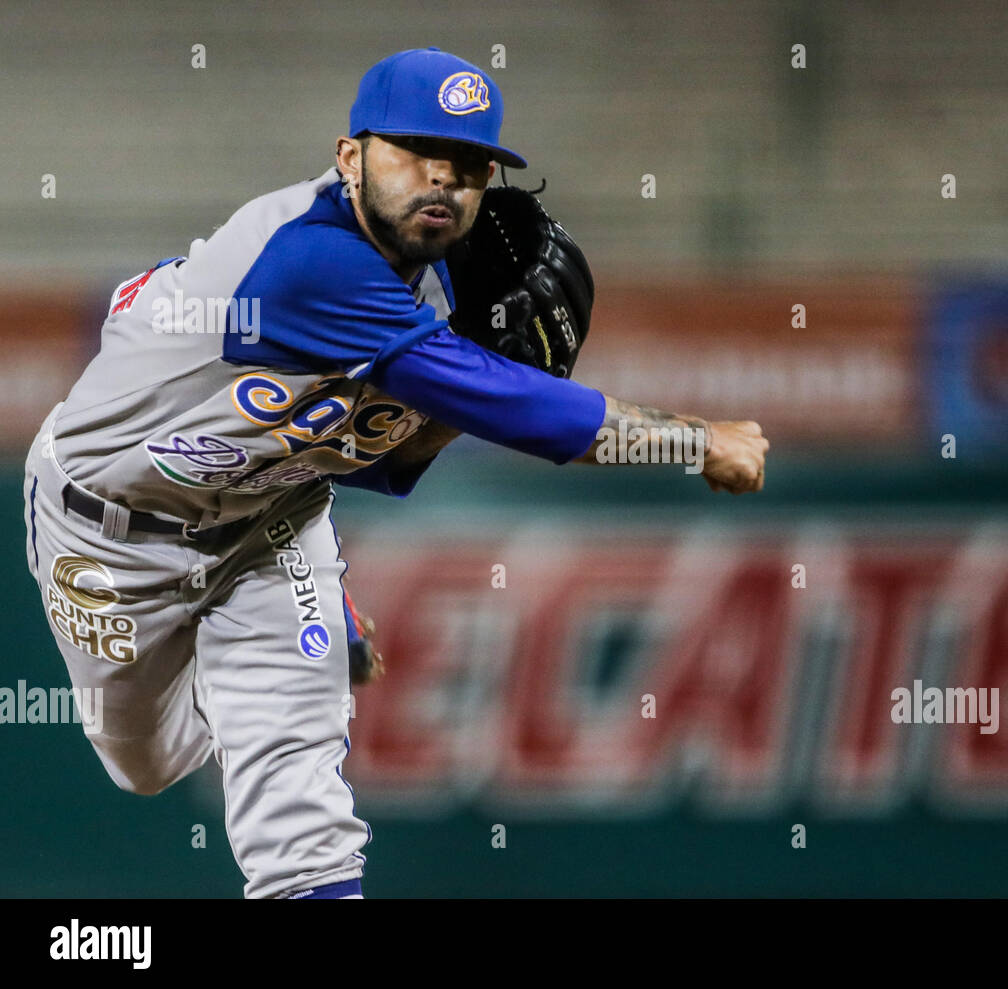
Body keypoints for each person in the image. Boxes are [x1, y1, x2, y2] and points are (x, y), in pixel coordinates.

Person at [22, 46, 767, 899]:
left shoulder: (439, 277)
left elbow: (383, 455)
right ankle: (244, 677)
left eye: (470, 164)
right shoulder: (312, 261)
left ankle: (276, 678)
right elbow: (513, 411)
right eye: (418, 152)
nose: (443, 179)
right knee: (143, 765)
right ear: (351, 157)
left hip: (271, 518)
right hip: (110, 523)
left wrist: (468, 393)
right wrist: (693, 441)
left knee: (298, 814)